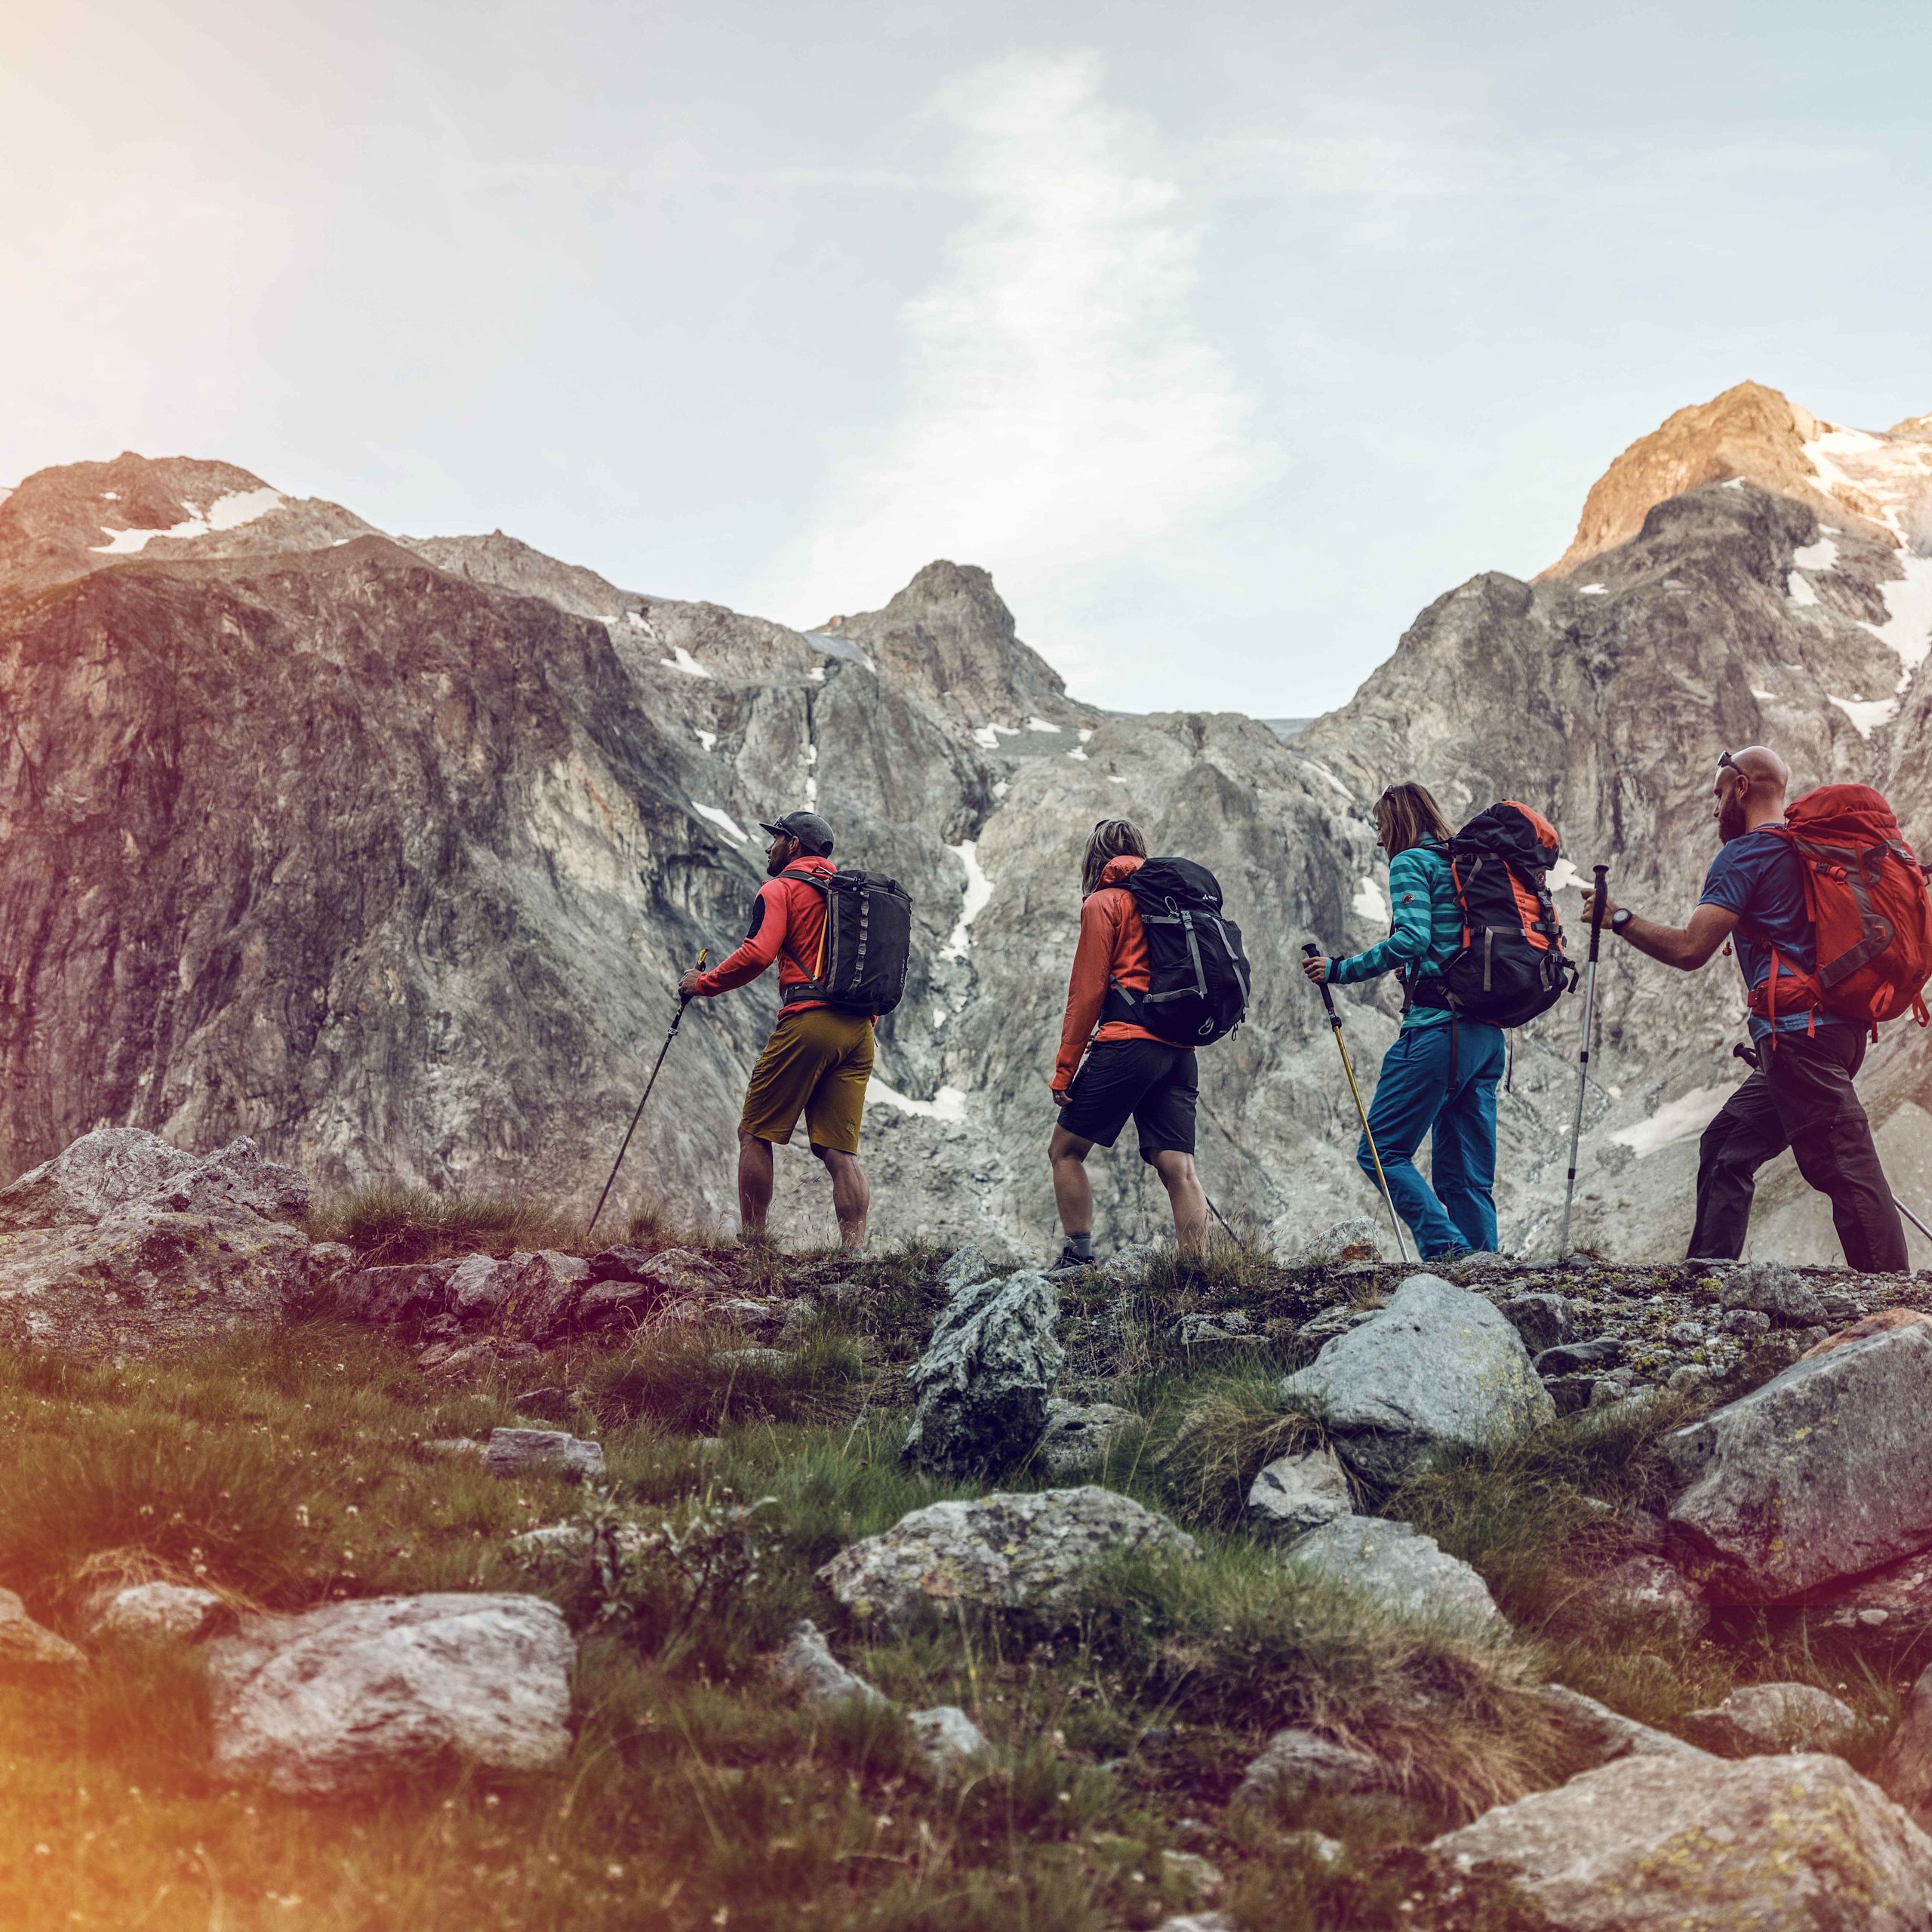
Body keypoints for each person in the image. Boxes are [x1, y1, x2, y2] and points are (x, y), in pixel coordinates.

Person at [1583, 746, 1907, 1272]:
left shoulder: (1747, 855)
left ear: (1741, 788)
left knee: (1846, 1164)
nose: (1714, 811)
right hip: (1833, 1032)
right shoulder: (1805, 852)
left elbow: (1691, 949)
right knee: (1727, 1144)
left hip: (1799, 1036)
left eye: (1717, 795)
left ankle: (1895, 1305)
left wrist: (1616, 916)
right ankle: (1708, 1279)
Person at [1299, 781, 1506, 1260]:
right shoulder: (1458, 864)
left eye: (1380, 826)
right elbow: (1444, 944)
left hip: (1437, 1033)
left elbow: (1413, 938)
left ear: (1398, 822)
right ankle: (1485, 1265)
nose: (1377, 838)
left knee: (1380, 1151)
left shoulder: (1409, 862)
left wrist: (1339, 970)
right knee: (1465, 1172)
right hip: (1486, 1037)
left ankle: (1447, 1249)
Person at [678, 809, 872, 1250]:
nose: (769, 847)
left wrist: (703, 983)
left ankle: (753, 1244)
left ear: (795, 846)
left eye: (777, 838)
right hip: (860, 1032)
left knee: (754, 1133)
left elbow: (757, 953)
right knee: (838, 1152)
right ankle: (855, 1254)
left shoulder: (781, 889)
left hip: (810, 1022)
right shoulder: (849, 896)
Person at [1047, 819, 1210, 1267]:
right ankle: (1198, 1271)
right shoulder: (1176, 903)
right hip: (1179, 1049)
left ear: (1094, 858)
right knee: (1177, 1166)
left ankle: (1078, 1259)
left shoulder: (1104, 902)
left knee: (1065, 1151)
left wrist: (1065, 1069)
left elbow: (1087, 993)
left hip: (1127, 1043)